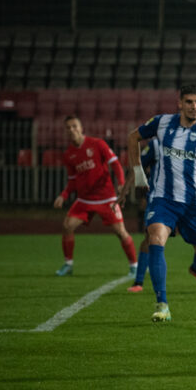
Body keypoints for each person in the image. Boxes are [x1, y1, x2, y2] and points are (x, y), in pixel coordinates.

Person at [121, 84, 196, 323]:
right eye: (189, 102)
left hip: (195, 204)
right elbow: (133, 137)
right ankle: (162, 305)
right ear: (179, 103)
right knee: (156, 239)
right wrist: (138, 173)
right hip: (163, 199)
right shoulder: (162, 123)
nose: (194, 106)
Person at [53, 116, 137, 277]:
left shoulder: (97, 144)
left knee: (121, 232)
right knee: (67, 226)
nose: (71, 130)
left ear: (81, 127)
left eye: (74, 126)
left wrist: (120, 182)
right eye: (68, 128)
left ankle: (134, 266)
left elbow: (115, 163)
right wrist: (63, 195)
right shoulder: (69, 154)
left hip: (106, 198)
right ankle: (68, 264)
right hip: (84, 200)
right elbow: (72, 180)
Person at [127, 136, 196, 293]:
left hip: (190, 202)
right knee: (151, 239)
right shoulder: (155, 144)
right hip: (164, 202)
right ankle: (138, 282)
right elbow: (139, 165)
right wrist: (126, 189)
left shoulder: (191, 143)